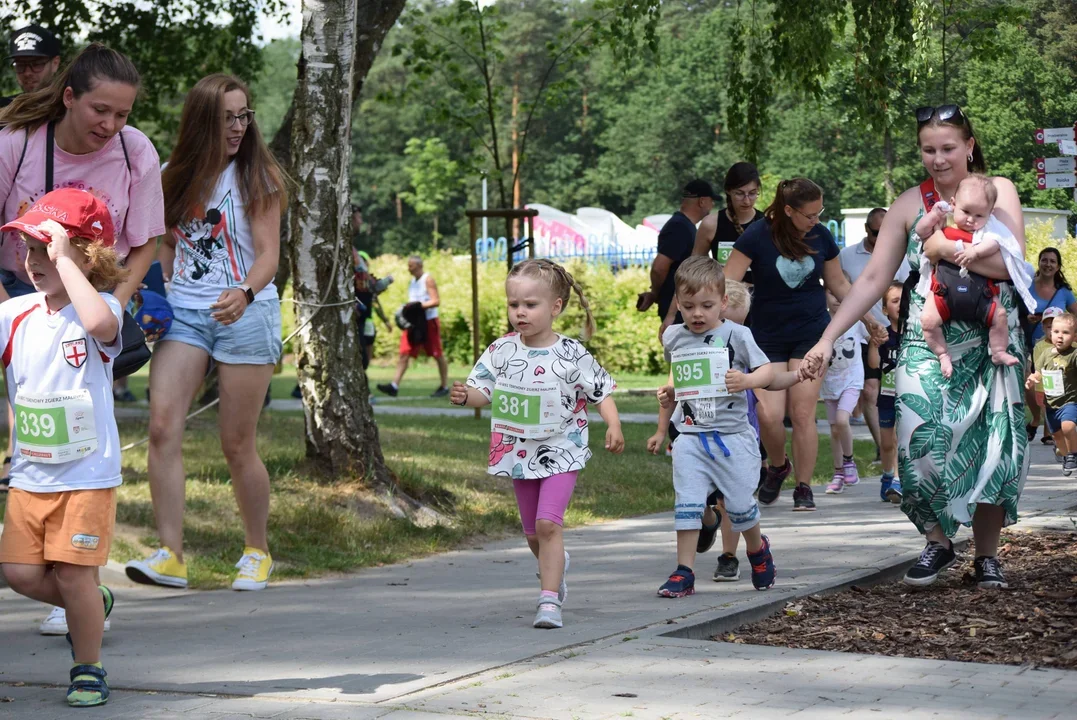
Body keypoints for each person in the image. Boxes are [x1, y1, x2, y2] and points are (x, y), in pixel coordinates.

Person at [799, 104, 1028, 591]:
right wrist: (827, 336)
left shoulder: (998, 190)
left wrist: (943, 250)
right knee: (916, 436)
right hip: (931, 335)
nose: (939, 159)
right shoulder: (909, 203)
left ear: (969, 145)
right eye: (929, 150)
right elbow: (873, 279)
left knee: (994, 444)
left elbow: (1015, 268)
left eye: (949, 148)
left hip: (991, 334)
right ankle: (938, 540)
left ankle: (986, 557)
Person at [0, 43, 164, 634]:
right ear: (68, 96)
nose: (111, 126)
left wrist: (113, 307)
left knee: (81, 426)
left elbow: (145, 239)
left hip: (98, 298)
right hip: (22, 295)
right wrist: (17, 315)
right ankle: (70, 589)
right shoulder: (17, 144)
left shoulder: (134, 149)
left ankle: (74, 586)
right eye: (100, 110)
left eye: (122, 114)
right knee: (33, 424)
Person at [124, 73, 285, 592]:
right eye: (226, 118)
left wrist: (243, 293)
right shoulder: (173, 175)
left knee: (237, 442)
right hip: (187, 314)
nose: (238, 127)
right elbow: (166, 242)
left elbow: (269, 256)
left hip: (246, 312)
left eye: (245, 116)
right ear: (202, 122)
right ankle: (171, 554)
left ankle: (257, 551)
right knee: (162, 427)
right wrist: (162, 292)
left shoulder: (258, 177)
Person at [0, 188, 128, 707]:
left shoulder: (101, 311)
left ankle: (88, 667)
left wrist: (66, 258)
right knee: (20, 574)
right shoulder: (17, 315)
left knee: (74, 574)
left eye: (46, 250)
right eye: (28, 250)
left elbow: (101, 324)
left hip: (87, 476)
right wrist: (55, 250)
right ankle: (91, 605)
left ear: (87, 256)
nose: (35, 262)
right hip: (31, 475)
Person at [450, 258, 623, 629]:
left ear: (555, 307)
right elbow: (484, 390)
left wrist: (613, 423)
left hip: (564, 448)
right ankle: (555, 565)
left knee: (548, 525)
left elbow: (600, 391)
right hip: (517, 452)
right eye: (514, 305)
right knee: (532, 533)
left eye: (530, 305)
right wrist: (468, 397)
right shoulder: (501, 351)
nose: (520, 313)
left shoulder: (571, 352)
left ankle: (548, 602)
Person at [723, 178, 876, 511]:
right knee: (768, 415)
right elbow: (727, 282)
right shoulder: (757, 235)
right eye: (809, 215)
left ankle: (804, 486)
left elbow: (837, 283)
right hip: (766, 335)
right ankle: (778, 466)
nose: (816, 220)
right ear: (788, 210)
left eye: (819, 213)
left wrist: (869, 320)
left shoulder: (820, 236)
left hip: (811, 334)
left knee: (803, 413)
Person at [646, 256, 778, 597]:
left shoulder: (738, 334)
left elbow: (768, 372)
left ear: (723, 302)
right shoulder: (675, 337)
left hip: (732, 437)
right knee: (687, 503)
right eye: (688, 306)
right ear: (678, 303)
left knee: (738, 506)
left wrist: (746, 380)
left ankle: (756, 549)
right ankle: (684, 571)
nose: (697, 314)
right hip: (690, 436)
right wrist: (671, 394)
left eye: (706, 305)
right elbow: (683, 379)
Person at [912, 174, 1032, 377]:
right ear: (953, 204)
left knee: (1000, 316)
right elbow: (921, 231)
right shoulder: (943, 227)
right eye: (966, 211)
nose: (971, 219)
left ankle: (998, 351)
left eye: (979, 216)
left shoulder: (988, 232)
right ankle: (942, 354)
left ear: (990, 214)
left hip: (981, 296)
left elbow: (996, 244)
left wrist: (975, 252)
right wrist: (934, 215)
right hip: (943, 293)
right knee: (928, 320)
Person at [839, 208, 908, 456]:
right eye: (876, 232)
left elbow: (904, 293)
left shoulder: (898, 255)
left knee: (892, 392)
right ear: (867, 229)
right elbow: (839, 291)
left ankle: (896, 446)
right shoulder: (846, 256)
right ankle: (883, 448)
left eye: (885, 232)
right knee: (869, 390)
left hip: (892, 334)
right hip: (860, 335)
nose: (880, 238)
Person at [637, 179, 717, 341]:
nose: (712, 206)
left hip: (683, 305)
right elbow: (660, 267)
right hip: (677, 308)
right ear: (702, 201)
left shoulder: (683, 226)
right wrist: (656, 293)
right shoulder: (679, 227)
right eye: (711, 201)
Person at [1024, 247, 1077, 442]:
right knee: (1029, 384)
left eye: (1052, 261)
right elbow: (1015, 307)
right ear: (1039, 262)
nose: (1048, 264)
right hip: (1028, 343)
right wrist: (1025, 317)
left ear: (1058, 266)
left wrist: (1072, 335)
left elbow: (1075, 314)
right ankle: (1036, 418)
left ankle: (1048, 431)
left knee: (1053, 384)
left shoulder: (1063, 291)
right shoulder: (1027, 285)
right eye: (1044, 260)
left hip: (1054, 347)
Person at [377, 256, 449, 398]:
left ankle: (444, 386)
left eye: (411, 266)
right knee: (405, 352)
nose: (408, 268)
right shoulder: (412, 282)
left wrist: (418, 306)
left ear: (419, 265)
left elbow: (436, 301)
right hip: (414, 322)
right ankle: (394, 385)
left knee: (437, 353)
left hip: (428, 321)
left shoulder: (427, 279)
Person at [822, 288, 866, 495]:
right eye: (832, 293)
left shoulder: (856, 320)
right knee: (834, 429)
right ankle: (838, 473)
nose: (837, 298)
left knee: (842, 420)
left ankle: (849, 462)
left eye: (840, 293)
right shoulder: (821, 321)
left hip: (851, 380)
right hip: (829, 382)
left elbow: (874, 334)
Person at [866, 282, 905, 503]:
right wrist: (874, 343)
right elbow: (873, 364)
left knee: (902, 439)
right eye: (894, 301)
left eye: (903, 300)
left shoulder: (914, 335)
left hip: (908, 398)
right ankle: (888, 474)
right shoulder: (884, 335)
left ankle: (899, 481)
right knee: (887, 443)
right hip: (887, 397)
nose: (900, 305)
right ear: (884, 309)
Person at [1027, 312, 1077, 474]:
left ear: (1075, 336)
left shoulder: (1074, 354)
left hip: (1070, 401)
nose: (1060, 337)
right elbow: (1038, 372)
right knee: (1056, 436)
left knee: (1068, 426)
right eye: (1056, 332)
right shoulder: (1046, 353)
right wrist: (1032, 379)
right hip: (1051, 403)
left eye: (1065, 333)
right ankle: (1065, 456)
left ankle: (1073, 455)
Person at [692, 163, 764, 269]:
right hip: (723, 285)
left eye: (753, 193)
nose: (747, 201)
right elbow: (696, 267)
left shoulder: (767, 223)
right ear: (728, 191)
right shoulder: (711, 224)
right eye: (739, 193)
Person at [1, 25, 61, 106]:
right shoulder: (5, 110)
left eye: (36, 64)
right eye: (20, 65)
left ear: (55, 64)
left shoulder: (72, 108)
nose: (27, 73)